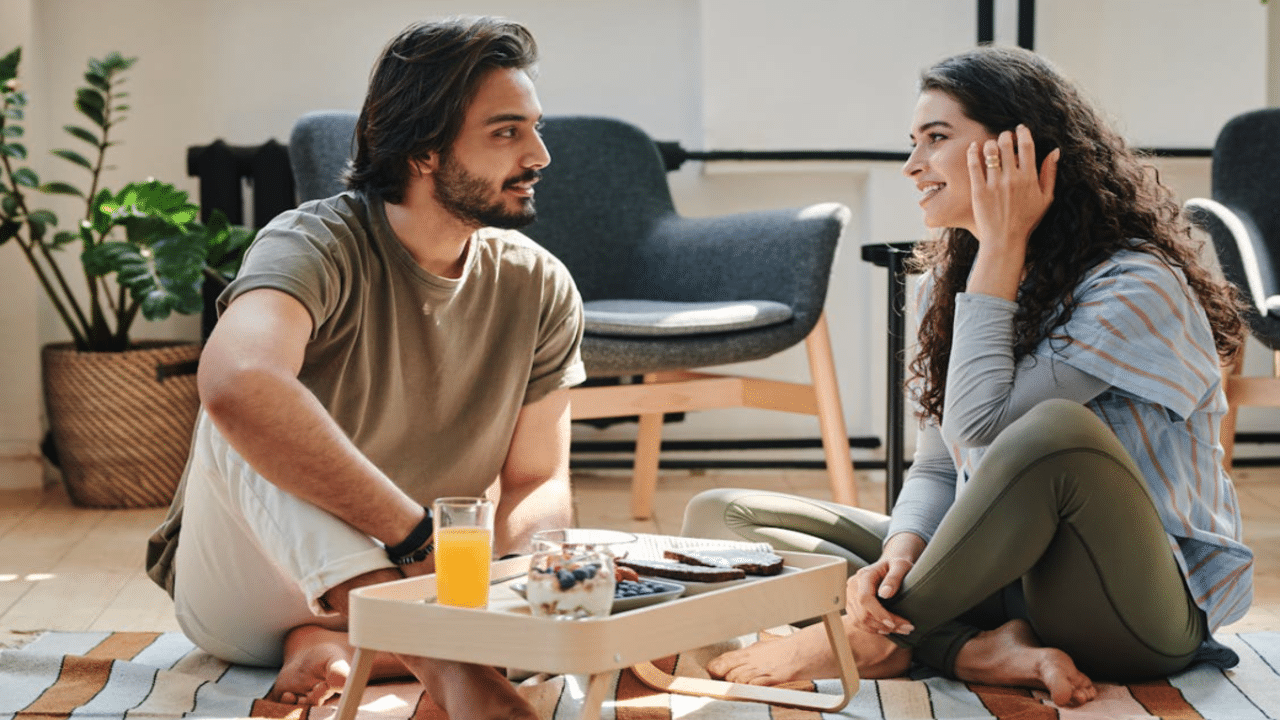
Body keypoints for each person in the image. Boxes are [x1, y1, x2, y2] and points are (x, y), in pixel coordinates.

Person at [681, 45, 1253, 707]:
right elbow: (938, 464)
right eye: (913, 141)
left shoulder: (1132, 286)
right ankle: (968, 648)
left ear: (1016, 150)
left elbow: (986, 426)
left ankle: (872, 640)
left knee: (1054, 434)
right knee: (723, 517)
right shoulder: (950, 284)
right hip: (1000, 587)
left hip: (1133, 613)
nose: (912, 165)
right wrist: (903, 546)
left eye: (936, 138)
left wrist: (1002, 242)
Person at [144, 16, 584, 719]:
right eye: (506, 132)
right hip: (248, 588)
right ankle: (441, 662)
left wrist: (533, 583)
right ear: (423, 152)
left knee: (536, 604)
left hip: (427, 585)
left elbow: (536, 479)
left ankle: (336, 649)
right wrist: (412, 541)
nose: (539, 154)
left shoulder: (539, 286)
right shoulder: (315, 244)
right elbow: (236, 383)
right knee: (241, 411)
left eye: (535, 127)